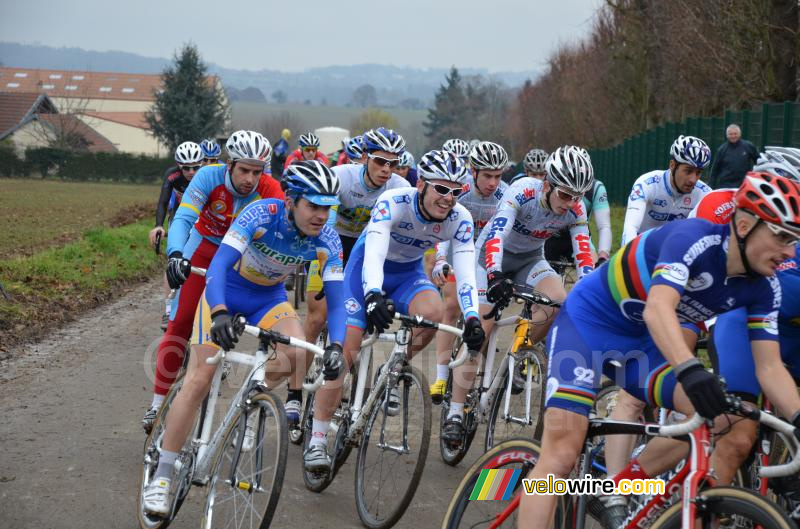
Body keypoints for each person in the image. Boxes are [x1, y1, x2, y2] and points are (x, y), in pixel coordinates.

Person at [518, 173, 800, 529]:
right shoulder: (694, 240)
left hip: (639, 347)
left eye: (795, 241)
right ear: (744, 224)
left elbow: (771, 367)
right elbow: (658, 309)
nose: (790, 251)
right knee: (561, 455)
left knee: (723, 418)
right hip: (587, 329)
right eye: (782, 236)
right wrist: (691, 369)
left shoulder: (765, 288)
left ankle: (616, 491)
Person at [142, 161, 347, 516]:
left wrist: (338, 346)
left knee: (299, 354)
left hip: (269, 300)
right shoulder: (260, 215)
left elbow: (338, 296)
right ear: (292, 201)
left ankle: (249, 400)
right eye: (313, 206)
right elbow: (219, 266)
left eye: (326, 207)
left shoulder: (326, 237)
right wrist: (220, 311)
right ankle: (161, 477)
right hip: (226, 292)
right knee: (200, 378)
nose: (320, 215)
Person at [303, 150, 485, 472]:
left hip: (407, 275)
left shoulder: (460, 220)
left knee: (434, 313)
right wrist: (372, 294)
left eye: (456, 192)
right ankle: (317, 439)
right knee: (347, 351)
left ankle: (391, 367)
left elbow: (467, 272)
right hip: (364, 273)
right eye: (441, 189)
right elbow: (373, 251)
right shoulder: (394, 201)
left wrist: (471, 316)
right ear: (422, 185)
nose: (448, 199)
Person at [442, 146, 595, 446]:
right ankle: (456, 412)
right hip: (489, 258)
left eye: (578, 196)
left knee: (559, 303)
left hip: (529, 260)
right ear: (548, 185)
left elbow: (583, 252)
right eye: (565, 194)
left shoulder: (575, 209)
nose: (571, 202)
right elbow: (497, 235)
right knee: (482, 328)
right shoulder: (522, 191)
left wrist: (590, 288)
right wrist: (494, 275)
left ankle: (520, 352)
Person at [141, 131, 284, 434]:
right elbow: (182, 218)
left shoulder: (271, 188)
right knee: (180, 322)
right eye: (244, 170)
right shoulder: (208, 176)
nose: (249, 178)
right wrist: (177, 254)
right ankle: (157, 402)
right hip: (204, 247)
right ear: (229, 164)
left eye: (256, 172)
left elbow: (280, 235)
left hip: (240, 257)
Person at [302, 127, 410, 354]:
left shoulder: (400, 187)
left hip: (366, 248)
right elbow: (326, 224)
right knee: (317, 317)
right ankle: (298, 383)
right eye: (380, 161)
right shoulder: (342, 176)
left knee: (360, 317)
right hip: (332, 241)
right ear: (364, 157)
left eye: (393, 163)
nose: (386, 169)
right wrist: (324, 264)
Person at [429, 141, 509, 405]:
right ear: (473, 172)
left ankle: (471, 369)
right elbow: (441, 227)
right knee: (451, 304)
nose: (493, 183)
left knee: (487, 315)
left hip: (485, 255)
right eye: (487, 176)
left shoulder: (505, 195)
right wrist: (440, 260)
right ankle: (441, 376)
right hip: (457, 249)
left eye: (498, 176)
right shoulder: (459, 191)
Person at [149, 141, 204, 330]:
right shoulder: (172, 176)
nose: (191, 171)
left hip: (203, 219)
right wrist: (158, 226)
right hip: (180, 217)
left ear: (202, 164)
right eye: (186, 168)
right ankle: (168, 309)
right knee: (173, 260)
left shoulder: (207, 176)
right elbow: (163, 202)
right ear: (179, 166)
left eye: (195, 167)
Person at [620, 135, 712, 245]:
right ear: (672, 165)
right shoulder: (647, 183)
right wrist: (628, 258)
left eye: (698, 173)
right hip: (641, 247)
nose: (693, 179)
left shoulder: (704, 193)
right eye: (688, 171)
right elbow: (631, 227)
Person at [710, 123, 759, 189]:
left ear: (739, 134)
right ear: (727, 135)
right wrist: (711, 186)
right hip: (725, 185)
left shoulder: (748, 146)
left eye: (735, 134)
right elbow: (715, 170)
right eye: (731, 134)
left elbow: (759, 162)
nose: (733, 136)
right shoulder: (722, 150)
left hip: (744, 184)